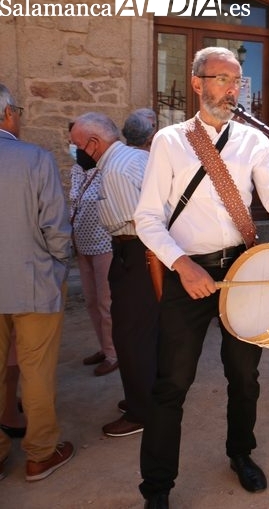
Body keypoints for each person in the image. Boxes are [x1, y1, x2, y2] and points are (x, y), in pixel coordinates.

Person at [134, 46, 269, 506]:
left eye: (238, 81)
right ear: (197, 84)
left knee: (245, 376)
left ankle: (241, 453)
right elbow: (147, 219)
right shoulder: (169, 141)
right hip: (186, 271)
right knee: (171, 384)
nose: (232, 89)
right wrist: (181, 264)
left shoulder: (253, 142)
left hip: (241, 271)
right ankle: (156, 487)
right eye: (222, 79)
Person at [0, 83, 75, 481]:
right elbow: (56, 226)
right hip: (33, 281)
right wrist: (59, 266)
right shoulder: (34, 158)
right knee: (37, 370)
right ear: (8, 113)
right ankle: (40, 452)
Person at [70, 112, 158, 439]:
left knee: (130, 335)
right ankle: (145, 398)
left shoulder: (117, 170)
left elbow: (138, 221)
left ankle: (141, 411)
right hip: (141, 254)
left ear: (94, 143)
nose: (75, 151)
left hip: (134, 251)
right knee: (143, 332)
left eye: (77, 145)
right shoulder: (133, 157)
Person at [69, 126, 116, 377]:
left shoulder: (107, 169)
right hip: (82, 243)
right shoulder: (77, 170)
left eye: (77, 144)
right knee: (90, 301)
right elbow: (74, 201)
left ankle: (113, 354)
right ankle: (104, 346)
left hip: (103, 244)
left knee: (105, 302)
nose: (75, 149)